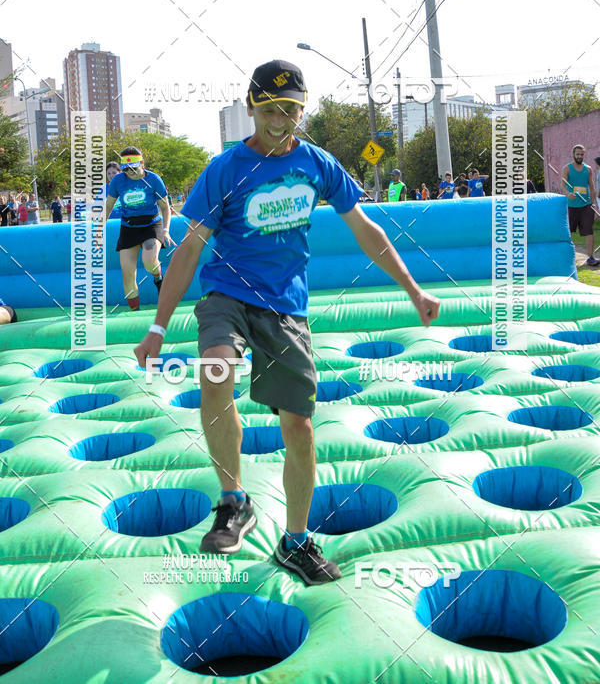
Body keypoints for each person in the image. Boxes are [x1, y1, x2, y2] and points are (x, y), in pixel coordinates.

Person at [133, 58, 441, 586]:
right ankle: (233, 500)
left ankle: (295, 541)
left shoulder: (318, 163)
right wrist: (157, 329)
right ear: (253, 107)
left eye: (292, 109)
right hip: (227, 296)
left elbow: (365, 230)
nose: (282, 119)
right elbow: (187, 252)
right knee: (215, 368)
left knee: (298, 426)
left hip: (286, 309)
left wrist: (413, 289)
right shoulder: (225, 170)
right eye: (272, 108)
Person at [95, 147, 175, 310]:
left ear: (142, 163)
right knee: (128, 273)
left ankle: (158, 278)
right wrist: (98, 232)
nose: (130, 172)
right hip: (128, 228)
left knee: (149, 261)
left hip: (151, 225)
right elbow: (108, 206)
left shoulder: (154, 179)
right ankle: (135, 313)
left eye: (134, 168)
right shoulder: (118, 181)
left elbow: (165, 208)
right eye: (126, 169)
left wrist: (166, 229)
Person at [562, 144, 600, 266]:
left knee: (589, 232)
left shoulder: (588, 169)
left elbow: (592, 187)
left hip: (586, 206)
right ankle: (568, 259)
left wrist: (594, 203)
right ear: (573, 154)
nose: (579, 156)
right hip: (571, 206)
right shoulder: (567, 168)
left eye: (582, 154)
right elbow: (563, 185)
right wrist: (568, 193)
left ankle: (590, 258)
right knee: (570, 232)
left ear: (584, 155)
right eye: (577, 154)